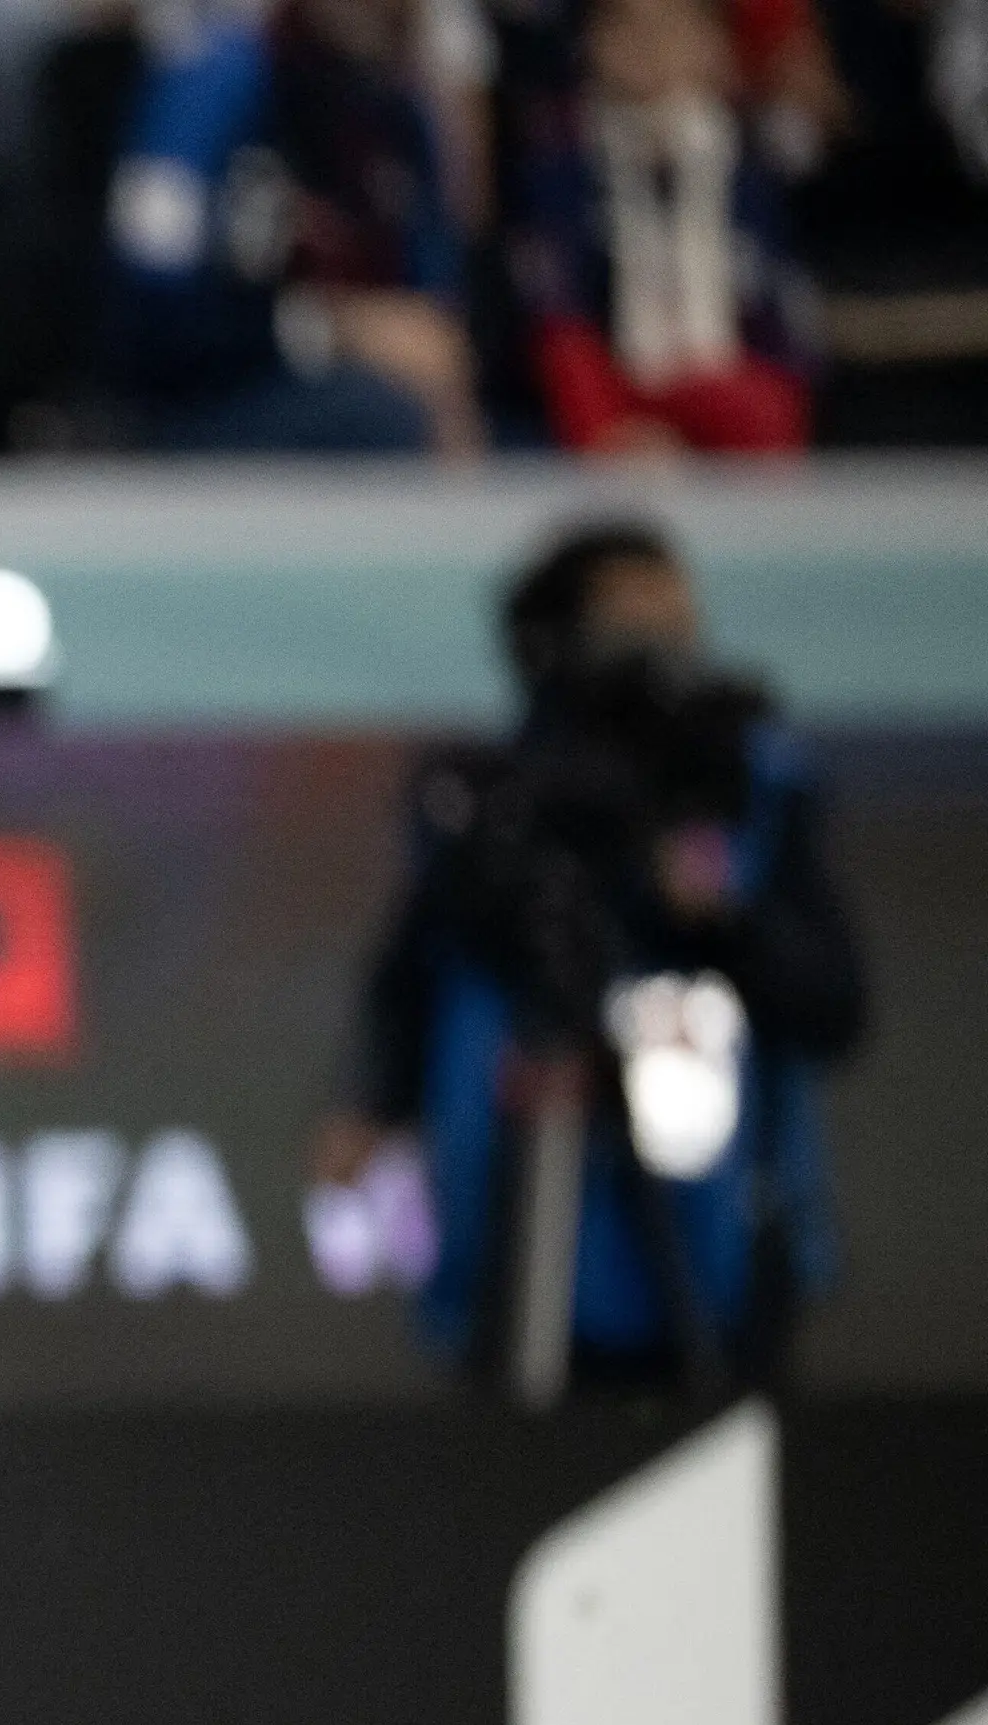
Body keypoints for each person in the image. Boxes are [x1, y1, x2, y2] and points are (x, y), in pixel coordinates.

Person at [314, 518, 863, 1397]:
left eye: (675, 627)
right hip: (522, 1230)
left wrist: (719, 916)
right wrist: (370, 1103)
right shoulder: (493, 805)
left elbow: (833, 1005)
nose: (658, 656)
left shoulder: (749, 790)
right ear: (554, 642)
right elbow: (413, 974)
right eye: (628, 629)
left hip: (721, 1236)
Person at [101, 0, 486, 453]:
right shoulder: (212, 84)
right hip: (200, 402)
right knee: (384, 419)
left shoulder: (401, 114)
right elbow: (146, 287)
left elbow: (431, 307)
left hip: (356, 396)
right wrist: (326, 329)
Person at [513, 0, 818, 452]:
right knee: (569, 360)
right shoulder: (561, 172)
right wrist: (614, 428)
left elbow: (782, 310)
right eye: (631, 31)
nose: (651, 49)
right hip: (613, 389)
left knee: (766, 405)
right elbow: (554, 310)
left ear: (710, 47)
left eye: (672, 32)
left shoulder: (748, 176)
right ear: (596, 44)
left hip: (718, 384)